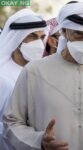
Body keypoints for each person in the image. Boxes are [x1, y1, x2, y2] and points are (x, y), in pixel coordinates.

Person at [3, 1, 83, 150]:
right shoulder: (34, 72)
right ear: (64, 32)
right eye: (78, 34)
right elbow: (12, 122)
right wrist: (38, 141)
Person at [0, 8, 47, 150]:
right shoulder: (2, 76)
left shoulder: (43, 73)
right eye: (32, 36)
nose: (38, 43)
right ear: (17, 39)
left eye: (41, 37)